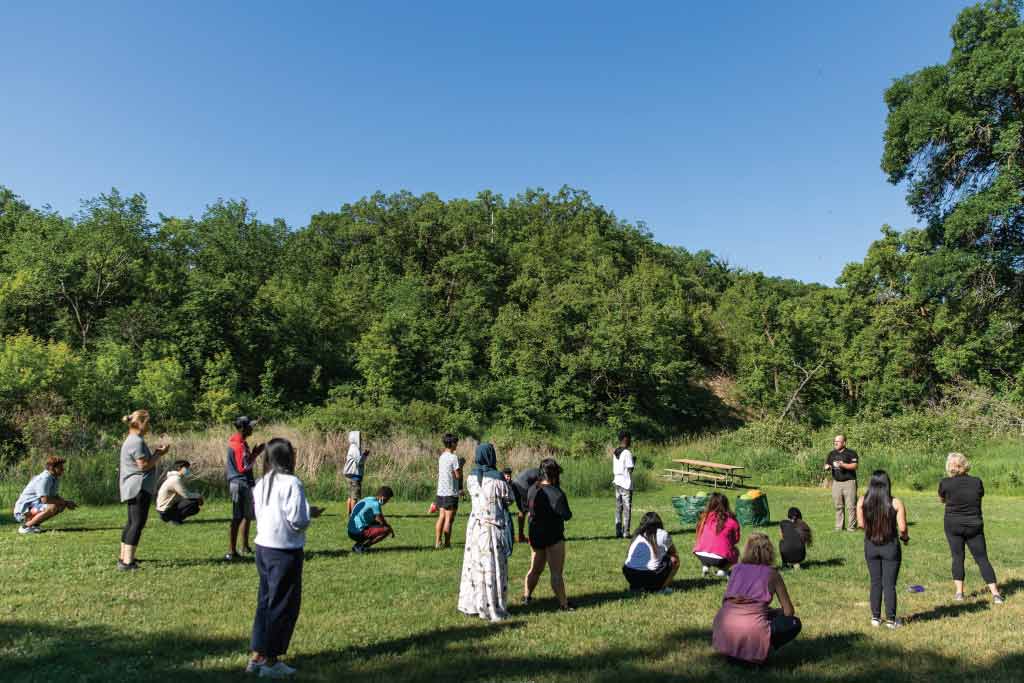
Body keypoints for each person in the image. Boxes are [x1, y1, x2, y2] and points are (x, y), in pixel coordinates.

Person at [246, 438, 324, 678]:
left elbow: (262, 513)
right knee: (283, 605)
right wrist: (309, 515)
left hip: (263, 547)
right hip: (285, 550)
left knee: (266, 601)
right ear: (287, 457)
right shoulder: (292, 483)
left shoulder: (262, 482)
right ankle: (271, 661)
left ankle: (257, 656)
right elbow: (298, 520)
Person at [712, 533, 801, 664]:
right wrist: (775, 613)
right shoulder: (773, 574)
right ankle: (761, 651)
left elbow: (729, 601)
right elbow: (789, 612)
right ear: (770, 551)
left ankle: (733, 653)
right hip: (753, 629)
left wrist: (767, 612)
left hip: (724, 624)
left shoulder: (735, 569)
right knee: (794, 623)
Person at [458, 442, 515, 622]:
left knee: (476, 565)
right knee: (493, 566)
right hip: (492, 528)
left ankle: (474, 604)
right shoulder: (498, 479)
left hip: (475, 528)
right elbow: (509, 498)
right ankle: (493, 606)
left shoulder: (471, 478)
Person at [938, 453, 1004, 604]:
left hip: (953, 524)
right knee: (982, 559)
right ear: (965, 465)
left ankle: (959, 593)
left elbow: (942, 499)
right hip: (974, 525)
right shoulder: (977, 482)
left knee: (958, 557)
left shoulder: (945, 483)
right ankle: (995, 594)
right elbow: (978, 496)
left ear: (950, 466)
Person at [856, 470, 910, 628]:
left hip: (871, 545)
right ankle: (891, 620)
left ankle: (875, 617)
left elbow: (860, 524)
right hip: (890, 546)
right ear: (888, 484)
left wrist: (871, 530)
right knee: (889, 584)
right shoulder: (895, 503)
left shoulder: (862, 501)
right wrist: (905, 538)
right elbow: (902, 528)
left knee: (875, 582)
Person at [118, 410, 169, 570]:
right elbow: (144, 466)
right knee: (137, 524)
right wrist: (160, 454)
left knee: (132, 523)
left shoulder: (133, 440)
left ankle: (124, 557)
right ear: (140, 423)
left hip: (133, 487)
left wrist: (155, 453)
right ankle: (128, 562)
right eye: (148, 423)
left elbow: (143, 462)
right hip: (139, 487)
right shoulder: (136, 442)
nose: (149, 427)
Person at [523, 458, 573, 610]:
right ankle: (564, 605)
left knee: (535, 569)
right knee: (556, 573)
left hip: (535, 534)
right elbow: (567, 515)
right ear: (554, 474)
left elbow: (527, 508)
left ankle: (527, 596)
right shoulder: (556, 493)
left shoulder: (532, 489)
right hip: (553, 536)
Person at [226, 416, 264, 561]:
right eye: (250, 426)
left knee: (247, 516)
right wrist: (256, 454)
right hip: (239, 483)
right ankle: (231, 551)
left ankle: (245, 546)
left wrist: (253, 453)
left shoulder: (241, 442)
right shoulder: (238, 445)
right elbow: (243, 467)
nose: (252, 429)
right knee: (237, 517)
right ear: (242, 428)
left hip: (245, 483)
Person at [13, 456, 76, 534]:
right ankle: (25, 527)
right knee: (53, 506)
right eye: (60, 467)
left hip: (33, 507)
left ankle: (34, 525)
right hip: (22, 512)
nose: (63, 469)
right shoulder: (45, 478)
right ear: (52, 468)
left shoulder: (54, 478)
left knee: (60, 505)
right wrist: (65, 502)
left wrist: (66, 502)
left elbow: (54, 496)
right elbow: (45, 500)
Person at [622, 511, 679, 594]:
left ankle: (636, 587)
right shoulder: (662, 534)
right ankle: (662, 588)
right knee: (675, 560)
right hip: (650, 576)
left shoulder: (637, 534)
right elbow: (673, 553)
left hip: (629, 573)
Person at [693, 493, 741, 577]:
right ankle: (723, 571)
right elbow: (736, 540)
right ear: (726, 505)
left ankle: (705, 566)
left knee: (708, 546)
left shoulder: (704, 518)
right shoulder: (731, 521)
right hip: (720, 557)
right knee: (735, 551)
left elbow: (698, 534)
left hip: (700, 553)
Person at [824, 434, 859, 531]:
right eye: (835, 441)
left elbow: (855, 466)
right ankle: (839, 527)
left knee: (851, 506)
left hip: (849, 482)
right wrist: (827, 467)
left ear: (844, 443)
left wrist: (843, 465)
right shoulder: (831, 454)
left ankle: (851, 527)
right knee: (838, 506)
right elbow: (827, 464)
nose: (835, 443)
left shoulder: (851, 453)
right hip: (836, 483)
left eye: (838, 441)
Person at [434, 433, 462, 549]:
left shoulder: (442, 457)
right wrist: (461, 467)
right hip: (451, 492)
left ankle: (437, 542)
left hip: (441, 492)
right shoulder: (453, 457)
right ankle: (447, 543)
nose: (457, 445)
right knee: (449, 519)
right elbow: (457, 475)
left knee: (441, 516)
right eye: (456, 443)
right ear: (452, 443)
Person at [156, 460, 204, 525]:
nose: (188, 470)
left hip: (165, 509)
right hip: (165, 511)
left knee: (194, 505)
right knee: (193, 503)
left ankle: (176, 519)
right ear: (179, 468)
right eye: (186, 468)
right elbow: (186, 495)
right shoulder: (175, 479)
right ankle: (174, 519)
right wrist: (199, 496)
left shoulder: (175, 478)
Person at [348, 487, 395, 553]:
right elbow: (381, 521)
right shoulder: (375, 504)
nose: (387, 502)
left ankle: (357, 545)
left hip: (350, 531)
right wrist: (390, 528)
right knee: (386, 530)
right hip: (357, 532)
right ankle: (363, 547)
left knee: (375, 526)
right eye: (387, 499)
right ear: (383, 497)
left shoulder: (367, 499)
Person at [612, 430, 635, 538]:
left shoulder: (615, 451)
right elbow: (630, 469)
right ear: (625, 439)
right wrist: (634, 461)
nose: (630, 441)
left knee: (618, 508)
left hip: (617, 481)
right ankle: (626, 532)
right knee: (626, 509)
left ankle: (618, 531)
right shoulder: (627, 453)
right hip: (625, 483)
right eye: (629, 438)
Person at [510, 466, 540, 543]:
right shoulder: (542, 474)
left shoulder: (534, 470)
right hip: (522, 486)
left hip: (515, 484)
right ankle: (531, 537)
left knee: (522, 511)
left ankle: (521, 536)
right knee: (531, 510)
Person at [343, 430, 369, 516]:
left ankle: (349, 513)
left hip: (349, 475)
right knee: (354, 497)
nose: (361, 439)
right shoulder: (355, 449)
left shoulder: (351, 447)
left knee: (350, 496)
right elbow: (359, 462)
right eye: (359, 437)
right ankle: (354, 514)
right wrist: (365, 455)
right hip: (354, 475)